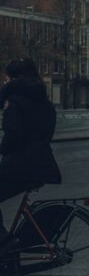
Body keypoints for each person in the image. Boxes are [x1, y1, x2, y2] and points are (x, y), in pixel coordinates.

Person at [0, 57, 61, 253]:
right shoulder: (44, 101)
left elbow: (13, 136)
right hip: (42, 163)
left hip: (22, 163)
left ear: (14, 79)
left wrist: (3, 149)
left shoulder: (14, 102)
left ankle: (4, 242)